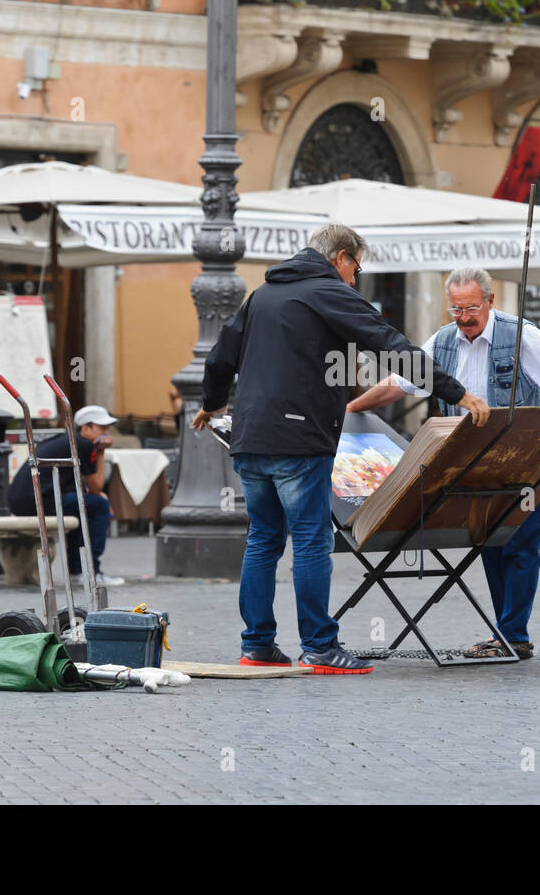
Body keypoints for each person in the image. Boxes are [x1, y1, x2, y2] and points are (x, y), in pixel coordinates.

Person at [195, 223, 488, 675]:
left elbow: (219, 358)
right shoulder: (329, 292)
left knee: (263, 540)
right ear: (342, 257)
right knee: (312, 540)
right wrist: (457, 390)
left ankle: (257, 645)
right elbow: (393, 348)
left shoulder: (262, 295)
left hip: (250, 437)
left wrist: (211, 405)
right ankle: (318, 646)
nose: (356, 279)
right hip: (299, 437)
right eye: (357, 268)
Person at [347, 266, 540, 660]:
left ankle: (513, 633)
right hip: (469, 462)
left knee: (520, 543)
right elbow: (399, 382)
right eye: (456, 309)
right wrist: (351, 408)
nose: (464, 317)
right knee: (487, 543)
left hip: (522, 459)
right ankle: (507, 633)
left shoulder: (519, 334)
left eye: (470, 308)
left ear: (490, 301)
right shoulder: (444, 341)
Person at [6, 404, 124, 588]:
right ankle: (91, 571)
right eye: (102, 428)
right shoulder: (83, 444)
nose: (107, 434)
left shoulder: (66, 440)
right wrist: (101, 452)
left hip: (23, 501)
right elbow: (96, 487)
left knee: (84, 506)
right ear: (86, 428)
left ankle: (79, 571)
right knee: (99, 505)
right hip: (38, 501)